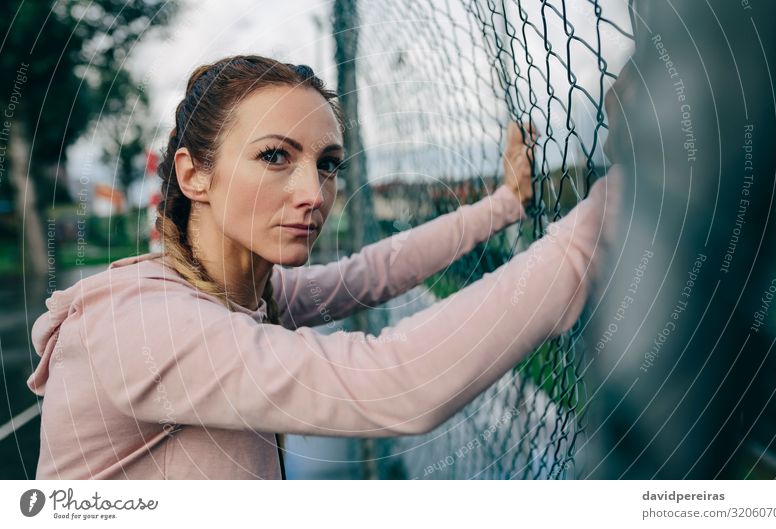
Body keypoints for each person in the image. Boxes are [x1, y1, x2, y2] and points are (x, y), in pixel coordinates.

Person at [28, 55, 618, 479]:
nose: (313, 191)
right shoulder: (142, 324)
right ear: (193, 175)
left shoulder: (245, 292)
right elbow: (394, 384)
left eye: (329, 163)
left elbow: (374, 271)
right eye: (275, 156)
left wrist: (504, 205)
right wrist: (618, 210)